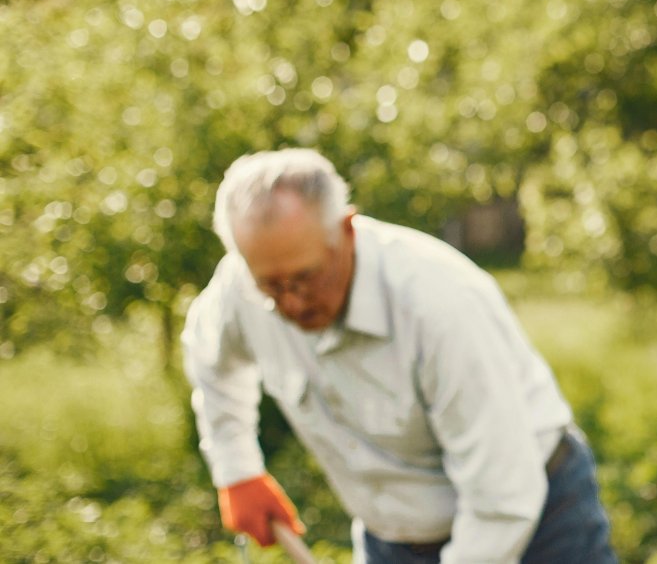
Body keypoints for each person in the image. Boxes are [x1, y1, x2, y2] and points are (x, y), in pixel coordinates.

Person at [181, 149, 616, 563]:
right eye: (271, 286)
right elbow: (210, 357)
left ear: (347, 231)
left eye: (305, 279)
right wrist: (236, 470)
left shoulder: (439, 306)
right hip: (393, 537)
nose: (291, 303)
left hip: (536, 520)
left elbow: (501, 497)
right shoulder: (241, 289)